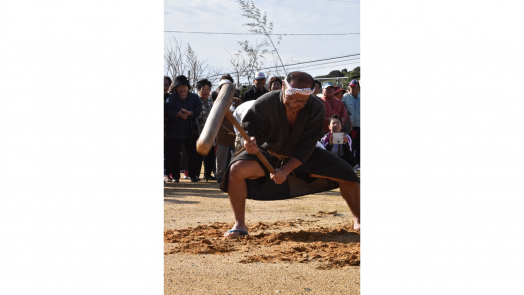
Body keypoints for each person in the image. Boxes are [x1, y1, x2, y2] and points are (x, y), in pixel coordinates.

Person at [220, 71, 360, 237]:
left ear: (310, 95)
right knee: (236, 169)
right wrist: (249, 142)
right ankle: (240, 224)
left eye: (301, 101)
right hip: (269, 152)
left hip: (304, 154)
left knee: (347, 173)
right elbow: (251, 128)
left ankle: (360, 220)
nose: (294, 104)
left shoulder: (316, 107)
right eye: (291, 97)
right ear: (284, 88)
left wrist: (286, 170)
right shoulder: (266, 102)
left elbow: (307, 145)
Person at [165, 75, 202, 182]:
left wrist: (191, 113)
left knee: (192, 154)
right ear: (175, 88)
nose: (182, 88)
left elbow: (198, 108)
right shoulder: (171, 98)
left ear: (188, 87)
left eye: (184, 86)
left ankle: (193, 174)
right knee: (174, 154)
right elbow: (168, 111)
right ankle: (176, 176)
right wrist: (178, 114)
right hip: (174, 130)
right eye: (179, 86)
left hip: (190, 130)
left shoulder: (194, 97)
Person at [216, 75, 243, 184]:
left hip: (236, 132)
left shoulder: (237, 101)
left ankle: (236, 174)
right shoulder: (217, 101)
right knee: (222, 155)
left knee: (238, 154)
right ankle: (220, 175)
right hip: (223, 132)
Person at [195, 78, 216, 181]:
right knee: (198, 154)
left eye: (208, 89)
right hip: (198, 130)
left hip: (210, 132)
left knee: (210, 153)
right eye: (203, 89)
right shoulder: (195, 100)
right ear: (198, 90)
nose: (206, 91)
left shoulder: (211, 100)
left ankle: (208, 174)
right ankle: (195, 174)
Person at [342, 79, 360, 169]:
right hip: (350, 127)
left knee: (359, 145)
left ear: (358, 88)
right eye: (351, 87)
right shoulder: (345, 97)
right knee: (350, 145)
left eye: (354, 87)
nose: (352, 89)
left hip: (360, 126)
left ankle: (358, 164)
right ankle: (351, 164)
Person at [164, 76, 172, 182]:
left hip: (168, 130)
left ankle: (166, 174)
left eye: (166, 85)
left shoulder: (171, 98)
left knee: (167, 153)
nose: (164, 87)